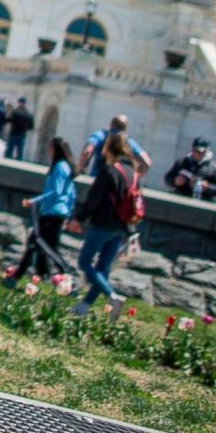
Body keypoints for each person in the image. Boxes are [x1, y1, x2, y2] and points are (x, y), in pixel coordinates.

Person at [68, 131, 136, 319]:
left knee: (84, 261)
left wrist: (79, 218)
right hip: (121, 227)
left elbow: (93, 199)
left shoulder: (110, 170)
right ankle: (84, 307)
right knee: (103, 269)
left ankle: (111, 296)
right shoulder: (132, 173)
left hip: (103, 223)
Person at [5, 137, 76, 284]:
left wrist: (34, 201)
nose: (49, 152)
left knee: (40, 245)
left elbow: (56, 191)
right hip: (56, 212)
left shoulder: (59, 167)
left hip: (52, 213)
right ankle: (42, 276)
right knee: (41, 246)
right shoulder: (66, 167)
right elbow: (71, 194)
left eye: (50, 148)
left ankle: (67, 276)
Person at [80, 114, 150, 178]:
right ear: (125, 128)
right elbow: (146, 162)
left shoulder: (101, 135)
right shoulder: (128, 142)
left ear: (111, 124)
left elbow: (87, 151)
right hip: (117, 185)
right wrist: (135, 178)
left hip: (97, 180)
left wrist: (81, 168)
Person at [5, 95, 34, 162]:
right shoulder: (28, 114)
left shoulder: (15, 112)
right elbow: (31, 127)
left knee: (9, 151)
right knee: (20, 153)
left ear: (19, 102)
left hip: (13, 133)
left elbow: (8, 120)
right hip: (22, 135)